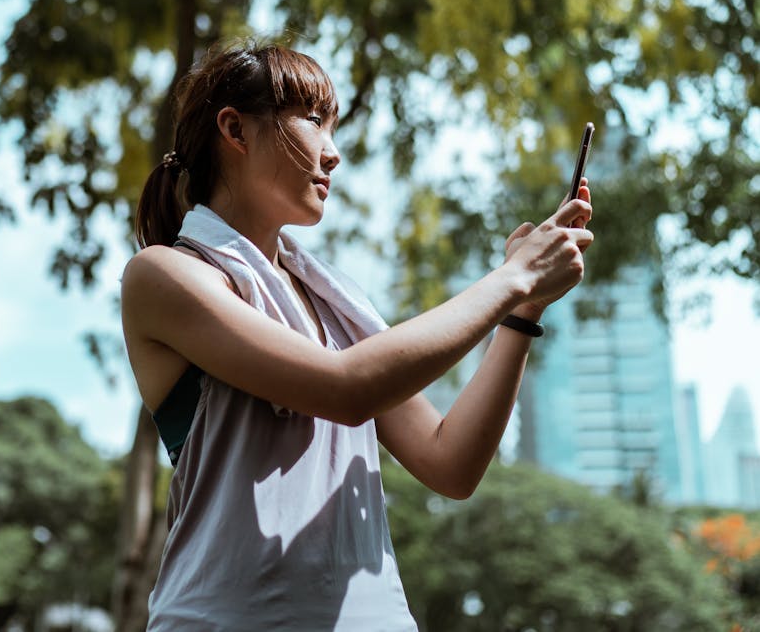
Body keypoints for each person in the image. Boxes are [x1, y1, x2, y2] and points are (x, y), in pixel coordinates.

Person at [120, 40, 593, 631]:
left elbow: (451, 463)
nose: (333, 152)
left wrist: (522, 309)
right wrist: (512, 276)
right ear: (235, 130)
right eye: (314, 121)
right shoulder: (166, 275)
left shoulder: (335, 303)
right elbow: (346, 390)